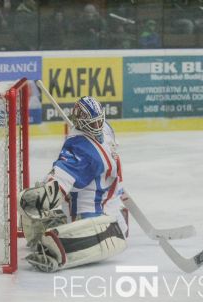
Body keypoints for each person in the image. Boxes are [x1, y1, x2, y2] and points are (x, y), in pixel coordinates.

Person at [18, 96, 128, 272]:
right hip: (85, 214)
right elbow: (63, 174)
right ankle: (54, 247)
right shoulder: (79, 148)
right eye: (93, 124)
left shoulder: (106, 129)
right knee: (114, 237)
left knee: (120, 229)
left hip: (108, 202)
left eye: (99, 121)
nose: (98, 127)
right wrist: (43, 195)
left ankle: (51, 222)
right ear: (81, 123)